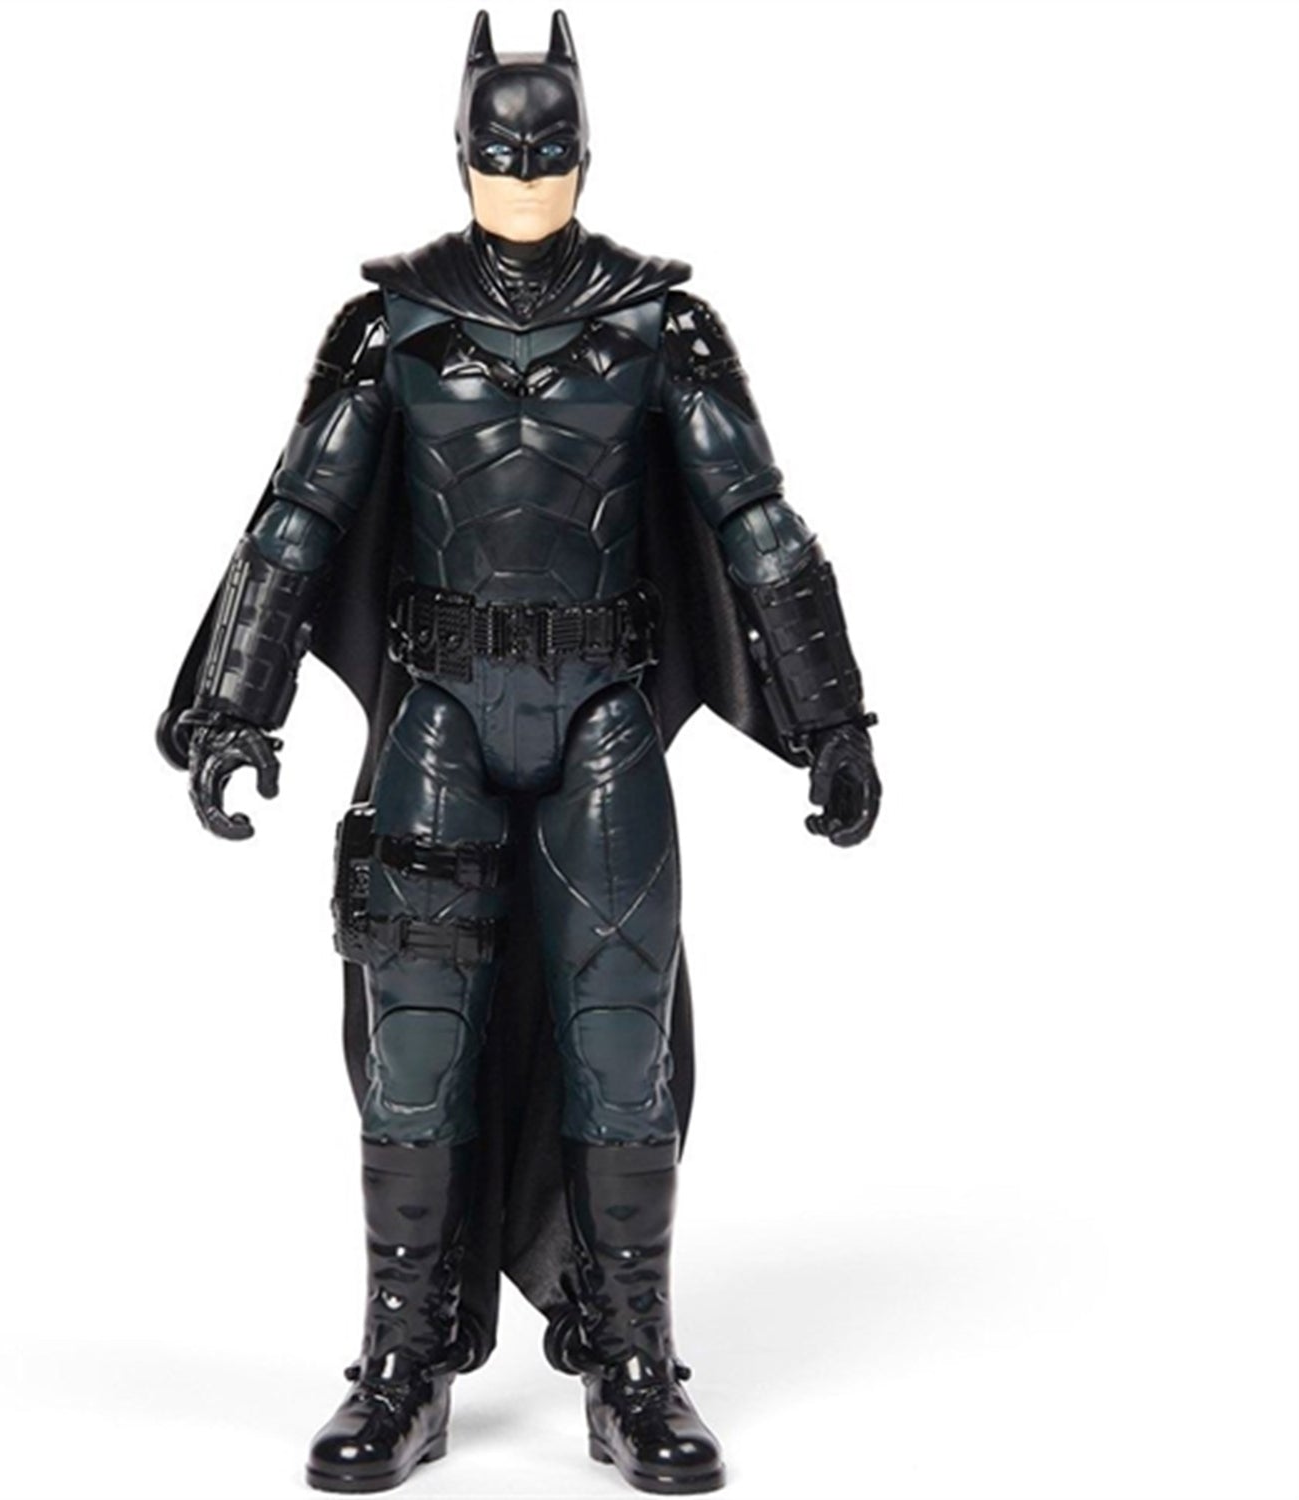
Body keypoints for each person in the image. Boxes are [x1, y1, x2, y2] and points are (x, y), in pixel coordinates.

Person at [158, 11, 881, 1493]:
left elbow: (759, 525)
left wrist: (832, 716)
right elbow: (297, 521)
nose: (527, 179)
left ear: (586, 155)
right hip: (438, 718)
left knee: (621, 1046)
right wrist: (238, 699)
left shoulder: (657, 325)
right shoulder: (395, 326)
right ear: (463, 153)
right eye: (504, 154)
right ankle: (403, 1363)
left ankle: (634, 1363)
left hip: (607, 716)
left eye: (549, 155)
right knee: (414, 1054)